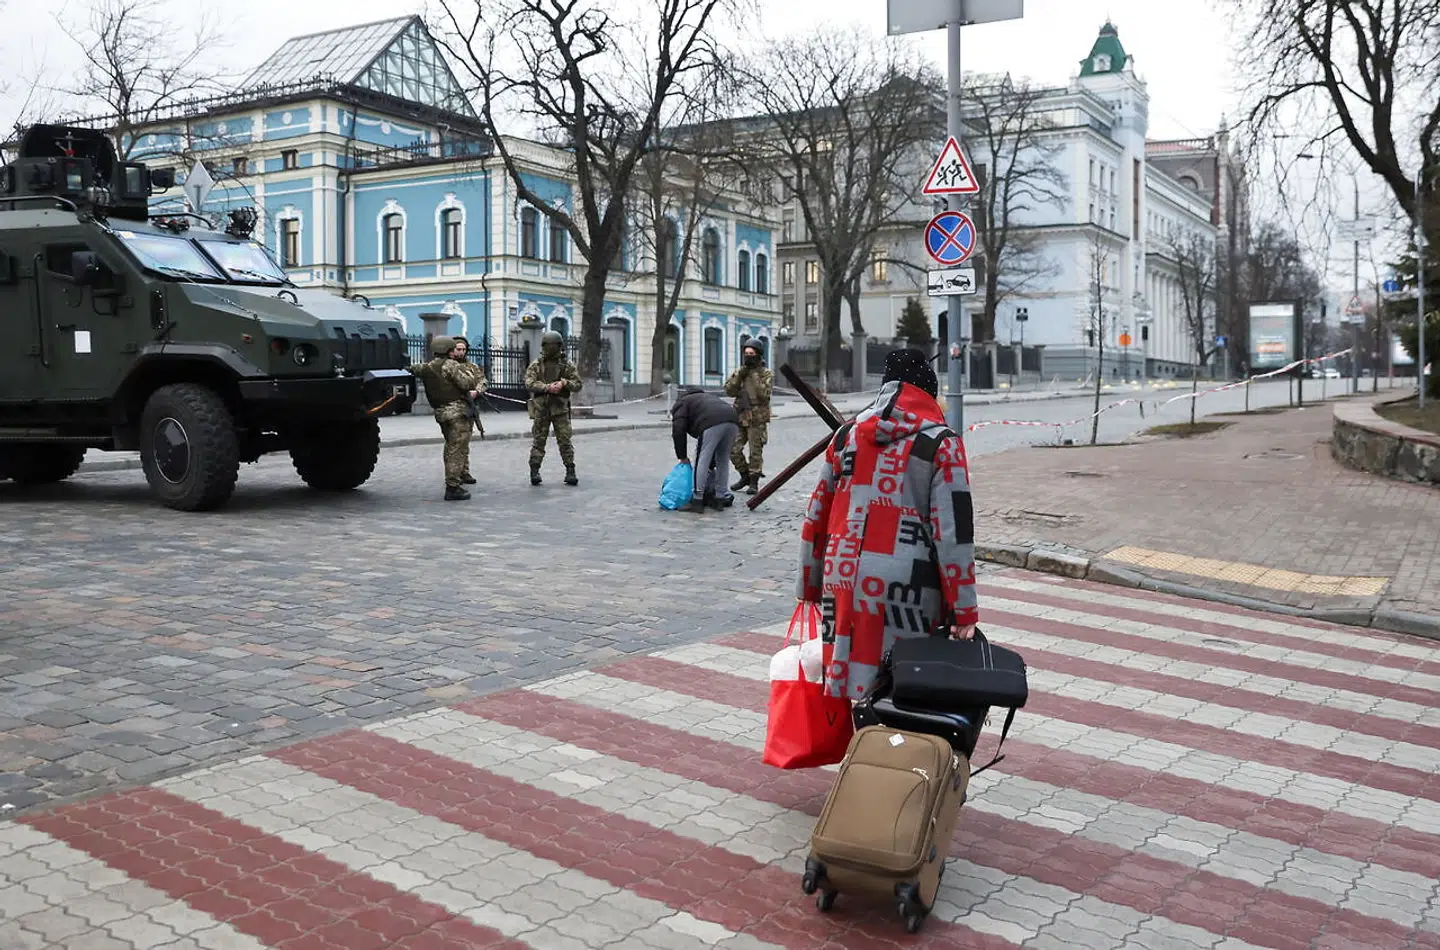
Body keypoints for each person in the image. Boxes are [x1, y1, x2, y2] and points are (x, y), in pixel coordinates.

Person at [796, 349, 978, 702]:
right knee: (902, 687)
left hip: (843, 574)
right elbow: (953, 531)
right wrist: (963, 609)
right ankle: (889, 753)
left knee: (852, 681)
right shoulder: (942, 442)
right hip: (907, 583)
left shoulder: (846, 435)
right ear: (929, 391)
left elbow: (816, 511)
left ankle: (862, 749)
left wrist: (809, 583)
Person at [408, 335, 487, 501]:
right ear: (447, 350)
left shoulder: (427, 367)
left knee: (450, 447)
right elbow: (467, 383)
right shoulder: (450, 365)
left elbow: (412, 369)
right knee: (457, 449)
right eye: (453, 349)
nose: (455, 352)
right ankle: (453, 487)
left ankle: (454, 479)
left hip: (441, 413)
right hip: (457, 412)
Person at [523, 330, 583, 486]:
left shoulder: (566, 365)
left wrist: (564, 383)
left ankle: (570, 470)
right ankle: (534, 471)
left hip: (560, 409)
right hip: (541, 409)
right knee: (538, 441)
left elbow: (577, 384)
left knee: (565, 441)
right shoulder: (536, 365)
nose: (552, 348)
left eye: (554, 345)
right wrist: (547, 387)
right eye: (549, 345)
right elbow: (529, 383)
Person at [671, 386, 740, 511]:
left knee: (701, 459)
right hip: (733, 419)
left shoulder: (682, 403)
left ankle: (697, 500)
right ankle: (720, 497)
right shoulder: (706, 398)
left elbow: (678, 430)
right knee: (723, 460)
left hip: (711, 422)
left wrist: (682, 457)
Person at [725, 342, 773, 495]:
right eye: (746, 353)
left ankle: (754, 481)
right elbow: (729, 390)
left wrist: (753, 374)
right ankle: (744, 475)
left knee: (755, 450)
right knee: (733, 448)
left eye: (752, 354)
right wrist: (741, 374)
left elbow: (764, 395)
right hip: (740, 414)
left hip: (757, 416)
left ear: (758, 355)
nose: (748, 357)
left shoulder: (766, 373)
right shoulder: (740, 371)